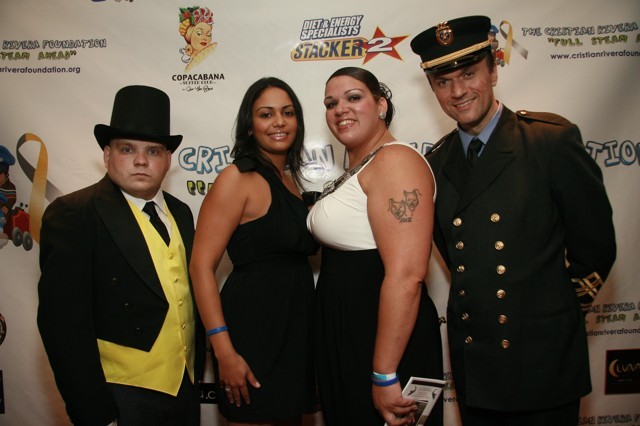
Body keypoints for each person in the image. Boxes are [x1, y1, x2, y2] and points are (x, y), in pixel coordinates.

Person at [410, 15, 616, 425]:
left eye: (469, 74)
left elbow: (596, 247)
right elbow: (458, 259)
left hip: (542, 359)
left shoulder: (549, 141)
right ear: (432, 88)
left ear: (493, 70)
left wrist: (553, 315)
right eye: (443, 81)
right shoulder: (435, 163)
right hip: (477, 362)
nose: (458, 91)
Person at [37, 85, 205, 426]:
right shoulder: (75, 213)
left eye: (153, 151)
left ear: (168, 159)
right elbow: (63, 327)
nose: (141, 161)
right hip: (119, 393)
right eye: (127, 149)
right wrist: (94, 413)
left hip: (185, 388)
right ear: (107, 155)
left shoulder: (181, 212)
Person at [307, 67, 443, 426]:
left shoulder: (395, 160)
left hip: (380, 335)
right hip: (350, 328)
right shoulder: (360, 167)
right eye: (330, 103)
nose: (340, 109)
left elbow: (407, 275)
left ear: (381, 105)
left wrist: (384, 373)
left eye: (353, 97)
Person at [189, 77, 317, 426]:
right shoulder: (237, 178)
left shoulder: (290, 181)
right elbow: (200, 267)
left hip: (295, 329)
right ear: (249, 125)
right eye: (266, 114)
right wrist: (223, 350)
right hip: (253, 330)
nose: (279, 122)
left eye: (288, 113)